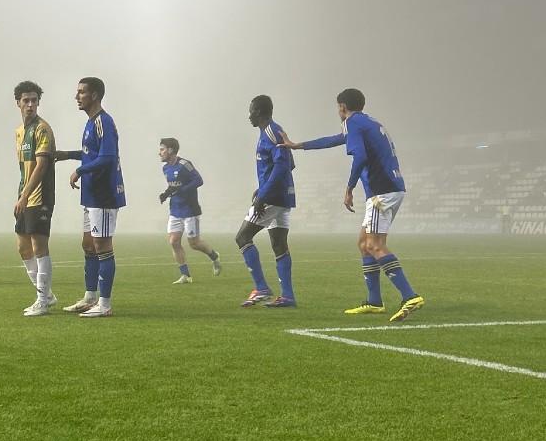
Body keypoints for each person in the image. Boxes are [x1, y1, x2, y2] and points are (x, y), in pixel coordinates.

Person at [281, 88, 424, 322]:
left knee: (375, 245)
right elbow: (335, 140)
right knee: (364, 244)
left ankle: (410, 295)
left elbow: (360, 156)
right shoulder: (367, 122)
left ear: (342, 107)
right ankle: (375, 301)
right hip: (390, 187)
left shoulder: (352, 122)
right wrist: (298, 146)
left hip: (381, 191)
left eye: (338, 107)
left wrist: (349, 188)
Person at [54, 77, 125, 318]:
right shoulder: (91, 123)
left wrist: (80, 170)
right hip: (91, 195)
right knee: (88, 245)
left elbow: (108, 158)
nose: (77, 97)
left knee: (102, 246)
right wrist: (67, 155)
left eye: (81, 92)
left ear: (94, 95)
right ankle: (90, 297)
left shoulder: (104, 121)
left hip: (104, 195)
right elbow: (90, 153)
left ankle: (104, 304)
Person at [236, 96, 297, 308]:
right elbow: (290, 163)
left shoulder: (271, 132)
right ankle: (288, 296)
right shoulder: (270, 132)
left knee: (242, 237)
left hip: (273, 197)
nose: (249, 115)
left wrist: (263, 195)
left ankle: (261, 288)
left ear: (260, 112)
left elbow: (283, 166)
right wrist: (261, 188)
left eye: (251, 111)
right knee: (279, 244)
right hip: (282, 195)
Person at [13, 81, 59, 317]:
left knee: (39, 247)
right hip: (25, 194)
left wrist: (25, 195)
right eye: (26, 100)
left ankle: (42, 300)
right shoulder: (19, 132)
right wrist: (21, 193)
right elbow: (25, 168)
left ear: (38, 102)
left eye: (34, 100)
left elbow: (41, 167)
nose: (30, 104)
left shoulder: (43, 129)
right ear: (18, 103)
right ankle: (48, 295)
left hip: (39, 196)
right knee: (23, 248)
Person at [158, 138, 222, 283]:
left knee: (194, 244)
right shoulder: (165, 168)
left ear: (171, 150)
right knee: (174, 241)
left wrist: (183, 190)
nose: (159, 153)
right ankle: (186, 276)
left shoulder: (184, 164)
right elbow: (174, 186)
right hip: (175, 209)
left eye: (162, 149)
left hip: (190, 209)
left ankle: (214, 256)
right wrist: (166, 193)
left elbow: (199, 180)